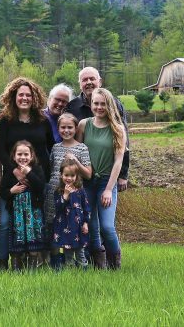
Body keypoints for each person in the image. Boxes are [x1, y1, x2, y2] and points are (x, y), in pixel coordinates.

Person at [0, 77, 55, 270]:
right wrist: (14, 171)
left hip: (38, 179)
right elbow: (1, 150)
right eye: (21, 95)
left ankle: (38, 261)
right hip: (12, 180)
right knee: (5, 223)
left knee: (37, 221)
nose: (25, 98)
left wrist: (45, 175)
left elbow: (51, 146)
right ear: (14, 97)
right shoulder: (5, 121)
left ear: (34, 97)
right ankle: (3, 261)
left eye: (28, 95)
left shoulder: (43, 120)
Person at [76, 87, 126, 270]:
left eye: (103, 104)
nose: (99, 107)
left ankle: (115, 263)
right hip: (87, 181)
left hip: (106, 181)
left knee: (106, 226)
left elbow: (118, 161)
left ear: (109, 105)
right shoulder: (84, 125)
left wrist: (108, 189)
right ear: (91, 104)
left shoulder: (118, 129)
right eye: (96, 103)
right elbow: (78, 151)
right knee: (91, 224)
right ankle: (98, 263)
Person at [66, 67, 130, 191]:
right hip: (83, 174)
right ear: (80, 84)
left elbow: (124, 141)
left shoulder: (115, 104)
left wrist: (123, 174)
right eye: (85, 80)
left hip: (108, 174)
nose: (89, 82)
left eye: (92, 79)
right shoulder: (72, 107)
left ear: (99, 82)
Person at [44, 113, 91, 236]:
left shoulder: (82, 148)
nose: (66, 130)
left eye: (70, 127)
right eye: (63, 127)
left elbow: (88, 174)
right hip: (54, 194)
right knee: (52, 226)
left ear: (76, 129)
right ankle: (53, 255)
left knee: (70, 228)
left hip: (73, 197)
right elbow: (51, 170)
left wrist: (75, 161)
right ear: (58, 129)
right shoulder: (55, 147)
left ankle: (70, 255)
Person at [4, 141, 47, 271]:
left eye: (26, 154)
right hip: (17, 213)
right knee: (17, 240)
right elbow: (2, 191)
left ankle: (32, 269)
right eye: (19, 154)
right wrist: (11, 191)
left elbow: (40, 187)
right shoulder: (11, 172)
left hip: (33, 213)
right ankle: (17, 268)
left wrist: (29, 173)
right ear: (13, 156)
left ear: (32, 156)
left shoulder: (37, 170)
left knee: (33, 238)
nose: (23, 157)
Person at [50, 158, 91, 271]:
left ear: (76, 176)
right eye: (66, 175)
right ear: (61, 175)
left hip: (78, 228)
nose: (69, 178)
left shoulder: (80, 191)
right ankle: (70, 274)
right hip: (65, 228)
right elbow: (58, 208)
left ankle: (83, 274)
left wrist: (86, 223)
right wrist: (65, 195)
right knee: (68, 255)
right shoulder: (58, 191)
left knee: (80, 254)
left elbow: (86, 208)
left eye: (72, 175)